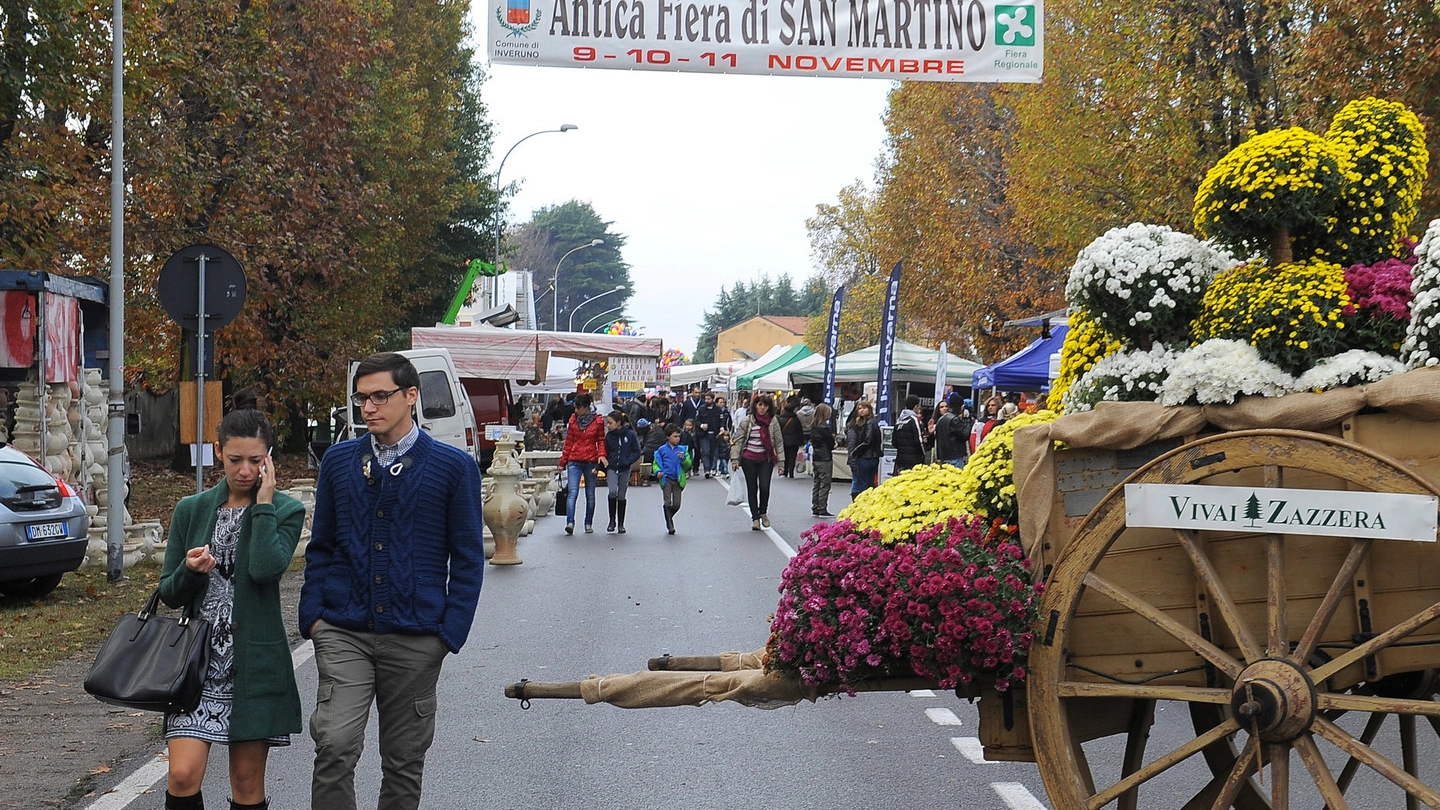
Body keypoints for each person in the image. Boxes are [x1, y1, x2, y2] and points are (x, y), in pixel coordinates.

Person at [300, 352, 484, 810]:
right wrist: (314, 619)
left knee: (403, 759)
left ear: (411, 396)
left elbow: (467, 558)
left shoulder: (452, 467)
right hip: (344, 632)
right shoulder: (339, 462)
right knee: (334, 744)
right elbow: (320, 546)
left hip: (417, 636)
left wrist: (448, 633)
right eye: (361, 398)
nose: (368, 407)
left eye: (380, 396)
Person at [159, 396, 306, 810]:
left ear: (269, 458)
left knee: (245, 783)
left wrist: (262, 506)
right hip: (195, 668)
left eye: (256, 460)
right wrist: (191, 571)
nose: (245, 470)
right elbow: (169, 592)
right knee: (182, 774)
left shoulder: (286, 510)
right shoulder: (192, 510)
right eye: (235, 459)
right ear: (218, 453)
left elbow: (264, 570)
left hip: (253, 667)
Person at [730, 394, 784, 530]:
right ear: (755, 405)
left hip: (766, 459)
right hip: (749, 459)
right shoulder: (747, 421)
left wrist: (781, 462)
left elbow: (778, 442)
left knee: (765, 487)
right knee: (752, 488)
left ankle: (763, 512)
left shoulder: (773, 422)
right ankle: (755, 518)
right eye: (760, 405)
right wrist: (735, 459)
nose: (762, 408)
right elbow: (738, 441)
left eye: (765, 405)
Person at [557, 392, 607, 534]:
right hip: (574, 460)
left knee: (590, 494)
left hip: (591, 460)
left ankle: (588, 523)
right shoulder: (573, 420)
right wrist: (562, 462)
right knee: (573, 492)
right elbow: (568, 442)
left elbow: (601, 440)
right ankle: (570, 522)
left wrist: (601, 455)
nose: (576, 411)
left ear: (586, 407)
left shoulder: (598, 421)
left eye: (578, 408)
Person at [653, 424, 694, 535]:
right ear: (668, 437)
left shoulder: (682, 449)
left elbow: (688, 465)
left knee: (677, 504)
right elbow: (656, 463)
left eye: (678, 436)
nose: (677, 439)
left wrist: (684, 459)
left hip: (678, 479)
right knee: (667, 501)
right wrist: (658, 472)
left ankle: (668, 516)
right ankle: (670, 525)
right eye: (675, 436)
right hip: (666, 479)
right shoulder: (662, 450)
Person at [604, 410, 642, 533]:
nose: (608, 426)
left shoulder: (630, 434)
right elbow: (605, 452)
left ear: (618, 423)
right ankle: (611, 520)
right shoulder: (609, 436)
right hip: (612, 467)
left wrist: (628, 460)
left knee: (621, 495)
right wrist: (603, 464)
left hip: (625, 468)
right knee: (612, 491)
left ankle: (620, 523)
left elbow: (637, 451)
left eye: (610, 423)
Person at [846, 400, 882, 498]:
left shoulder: (869, 423)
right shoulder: (871, 422)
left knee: (863, 485)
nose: (861, 411)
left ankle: (862, 506)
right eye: (859, 409)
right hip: (872, 456)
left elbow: (868, 440)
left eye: (864, 408)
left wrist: (856, 451)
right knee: (868, 484)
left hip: (866, 457)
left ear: (869, 409)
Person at [809, 402, 836, 517]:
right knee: (825, 483)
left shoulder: (814, 426)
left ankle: (815, 505)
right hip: (825, 457)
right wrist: (834, 444)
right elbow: (831, 443)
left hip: (816, 456)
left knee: (817, 482)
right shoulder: (824, 428)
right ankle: (822, 507)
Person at [892, 394, 928, 473]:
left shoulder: (899, 420)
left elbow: (894, 442)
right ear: (916, 406)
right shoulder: (914, 419)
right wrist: (924, 453)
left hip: (901, 459)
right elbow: (919, 440)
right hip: (914, 460)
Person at [933, 393, 970, 468]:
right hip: (955, 456)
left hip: (943, 457)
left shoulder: (941, 419)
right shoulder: (954, 419)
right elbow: (964, 435)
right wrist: (968, 421)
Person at [778, 396, 805, 478]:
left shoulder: (780, 419)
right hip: (794, 441)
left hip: (784, 441)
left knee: (785, 456)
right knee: (792, 457)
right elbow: (800, 431)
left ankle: (785, 471)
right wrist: (801, 441)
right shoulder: (796, 420)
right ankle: (791, 472)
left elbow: (778, 431)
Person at [695, 391, 720, 478]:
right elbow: (697, 420)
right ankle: (707, 470)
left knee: (712, 452)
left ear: (712, 399)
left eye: (708, 399)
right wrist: (701, 425)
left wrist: (722, 428)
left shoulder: (717, 409)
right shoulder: (701, 409)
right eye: (705, 399)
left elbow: (721, 421)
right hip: (704, 434)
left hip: (714, 434)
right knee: (705, 451)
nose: (706, 400)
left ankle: (711, 468)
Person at [710, 395, 734, 477]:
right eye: (720, 402)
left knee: (724, 452)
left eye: (723, 402)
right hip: (716, 434)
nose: (722, 404)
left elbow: (729, 422)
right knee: (716, 452)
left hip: (725, 434)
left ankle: (722, 469)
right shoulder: (714, 411)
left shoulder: (726, 412)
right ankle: (714, 468)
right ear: (716, 403)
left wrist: (728, 430)